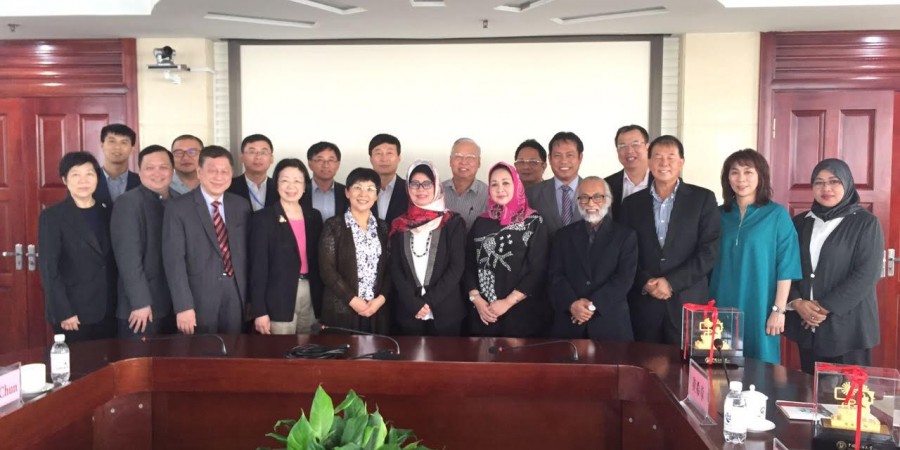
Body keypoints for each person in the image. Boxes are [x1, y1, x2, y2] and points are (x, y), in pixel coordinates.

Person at [784, 159, 884, 374]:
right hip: (807, 325)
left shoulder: (866, 223)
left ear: (847, 184)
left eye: (834, 181)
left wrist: (822, 308)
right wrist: (797, 302)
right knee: (810, 388)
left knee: (847, 392)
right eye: (819, 182)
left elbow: (867, 274)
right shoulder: (800, 222)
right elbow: (785, 266)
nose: (826, 188)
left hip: (849, 327)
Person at [621, 135, 720, 345]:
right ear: (649, 162)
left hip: (688, 303)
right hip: (645, 304)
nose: (664, 163)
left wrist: (672, 283)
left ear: (681, 162)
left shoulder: (703, 199)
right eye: (658, 157)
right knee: (644, 362)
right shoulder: (631, 204)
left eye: (671, 157)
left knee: (687, 363)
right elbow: (625, 253)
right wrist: (645, 282)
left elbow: (709, 251)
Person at [709, 149, 801, 365]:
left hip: (761, 305)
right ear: (727, 178)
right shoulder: (717, 215)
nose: (741, 179)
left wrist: (779, 310)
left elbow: (786, 266)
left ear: (761, 176)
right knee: (721, 367)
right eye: (734, 172)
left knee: (761, 368)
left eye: (748, 172)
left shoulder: (777, 215)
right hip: (721, 303)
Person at [163, 145, 251, 335]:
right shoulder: (178, 208)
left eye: (224, 171)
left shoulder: (241, 205)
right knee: (200, 350)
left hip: (236, 293)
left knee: (236, 348)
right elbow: (174, 261)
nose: (219, 176)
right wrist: (183, 306)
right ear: (199, 172)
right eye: (212, 171)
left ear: (231, 174)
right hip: (198, 297)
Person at [465, 162, 551, 338]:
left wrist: (507, 302)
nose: (500, 189)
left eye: (505, 183)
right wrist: (477, 299)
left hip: (521, 314)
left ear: (516, 185)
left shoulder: (534, 222)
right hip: (483, 312)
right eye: (494, 184)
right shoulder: (481, 222)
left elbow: (538, 269)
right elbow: (468, 263)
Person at [38, 152, 117, 342]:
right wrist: (64, 311)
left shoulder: (108, 210)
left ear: (97, 178)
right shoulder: (53, 216)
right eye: (75, 175)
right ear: (65, 180)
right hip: (73, 312)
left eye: (89, 174)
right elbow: (49, 269)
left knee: (107, 359)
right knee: (78, 360)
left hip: (109, 308)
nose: (83, 181)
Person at [549, 176, 638, 341]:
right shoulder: (563, 236)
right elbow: (555, 276)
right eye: (584, 197)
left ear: (608, 200)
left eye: (597, 197)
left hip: (610, 324)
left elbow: (624, 278)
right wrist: (572, 304)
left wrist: (592, 306)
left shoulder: (625, 236)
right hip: (570, 321)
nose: (590, 203)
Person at [111, 145, 181, 337]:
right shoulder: (128, 202)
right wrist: (140, 302)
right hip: (142, 308)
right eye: (150, 168)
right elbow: (128, 259)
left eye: (163, 167)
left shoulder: (179, 200)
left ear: (172, 171)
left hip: (174, 304)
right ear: (139, 172)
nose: (157, 173)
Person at [390, 161, 467, 336]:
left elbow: (456, 267)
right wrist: (413, 303)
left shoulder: (452, 222)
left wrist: (428, 302)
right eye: (414, 184)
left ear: (436, 186)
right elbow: (395, 268)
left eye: (427, 183)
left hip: (446, 312)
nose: (421, 189)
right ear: (408, 188)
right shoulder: (400, 225)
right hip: (409, 312)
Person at [250, 159, 324, 335]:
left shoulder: (314, 216)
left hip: (311, 293)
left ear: (305, 186)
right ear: (276, 185)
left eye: (297, 181)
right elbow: (258, 268)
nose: (291, 186)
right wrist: (259, 311)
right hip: (278, 296)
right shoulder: (263, 218)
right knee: (281, 348)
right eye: (285, 180)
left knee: (309, 346)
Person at [319, 168, 392, 333]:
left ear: (376, 195)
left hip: (376, 309)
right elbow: (327, 270)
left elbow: (391, 269)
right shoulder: (333, 226)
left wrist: (380, 300)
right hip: (343, 308)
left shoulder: (383, 227)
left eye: (370, 189)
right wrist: (352, 300)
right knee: (343, 349)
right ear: (347, 192)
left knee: (376, 348)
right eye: (357, 187)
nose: (363, 194)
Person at [526, 131, 584, 235]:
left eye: (570, 155)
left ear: (580, 157)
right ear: (550, 159)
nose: (564, 161)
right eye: (557, 155)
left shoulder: (597, 192)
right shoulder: (532, 194)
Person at [605, 125, 653, 221]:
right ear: (617, 151)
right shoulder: (606, 185)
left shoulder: (662, 182)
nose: (629, 151)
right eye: (622, 146)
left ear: (648, 147)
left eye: (635, 144)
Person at [442, 138, 488, 230]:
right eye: (458, 157)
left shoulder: (489, 195)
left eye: (470, 157)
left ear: (479, 162)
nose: (463, 162)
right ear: (450, 161)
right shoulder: (435, 191)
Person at [227, 133, 278, 212]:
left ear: (271, 158)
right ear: (242, 157)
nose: (258, 157)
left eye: (263, 152)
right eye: (252, 152)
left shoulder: (279, 188)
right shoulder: (228, 187)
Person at [95, 123, 140, 205]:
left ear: (132, 148)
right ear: (102, 145)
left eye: (124, 142)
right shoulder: (89, 180)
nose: (117, 147)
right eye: (112, 141)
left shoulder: (140, 182)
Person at [369, 133, 408, 224]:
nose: (384, 159)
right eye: (378, 153)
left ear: (399, 158)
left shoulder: (410, 190)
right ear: (370, 159)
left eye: (389, 153)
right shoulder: (359, 191)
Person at [306, 141, 347, 221]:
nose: (326, 165)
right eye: (320, 160)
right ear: (310, 164)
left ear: (338, 164)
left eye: (331, 160)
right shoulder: (300, 192)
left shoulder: (347, 193)